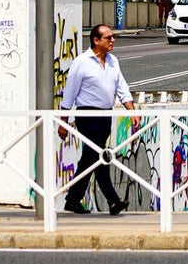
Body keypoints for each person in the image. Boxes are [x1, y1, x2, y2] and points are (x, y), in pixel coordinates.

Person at [58, 23, 136, 216]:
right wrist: (63, 122)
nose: (112, 40)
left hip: (105, 115)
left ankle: (72, 200)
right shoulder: (81, 62)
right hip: (88, 115)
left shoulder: (113, 61)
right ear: (96, 40)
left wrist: (131, 111)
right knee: (100, 157)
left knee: (90, 159)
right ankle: (112, 200)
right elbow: (69, 94)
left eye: (112, 37)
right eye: (108, 38)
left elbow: (121, 87)